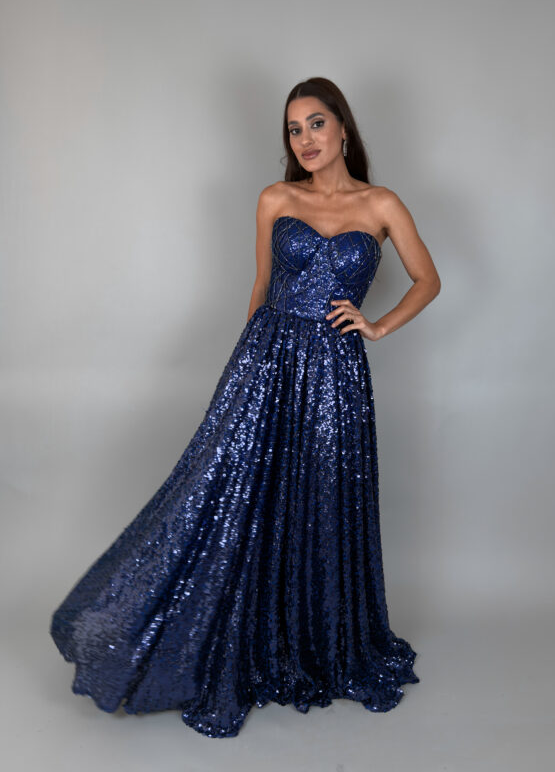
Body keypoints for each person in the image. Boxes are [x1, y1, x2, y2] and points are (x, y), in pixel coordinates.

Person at [50, 76, 441, 739]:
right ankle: (167, 634)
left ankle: (319, 643)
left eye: (316, 123)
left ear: (343, 127)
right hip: (267, 363)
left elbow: (427, 279)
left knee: (322, 500)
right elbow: (261, 285)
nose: (305, 139)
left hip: (337, 377)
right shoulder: (274, 198)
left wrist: (376, 326)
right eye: (293, 129)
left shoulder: (382, 204)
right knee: (233, 496)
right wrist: (242, 376)